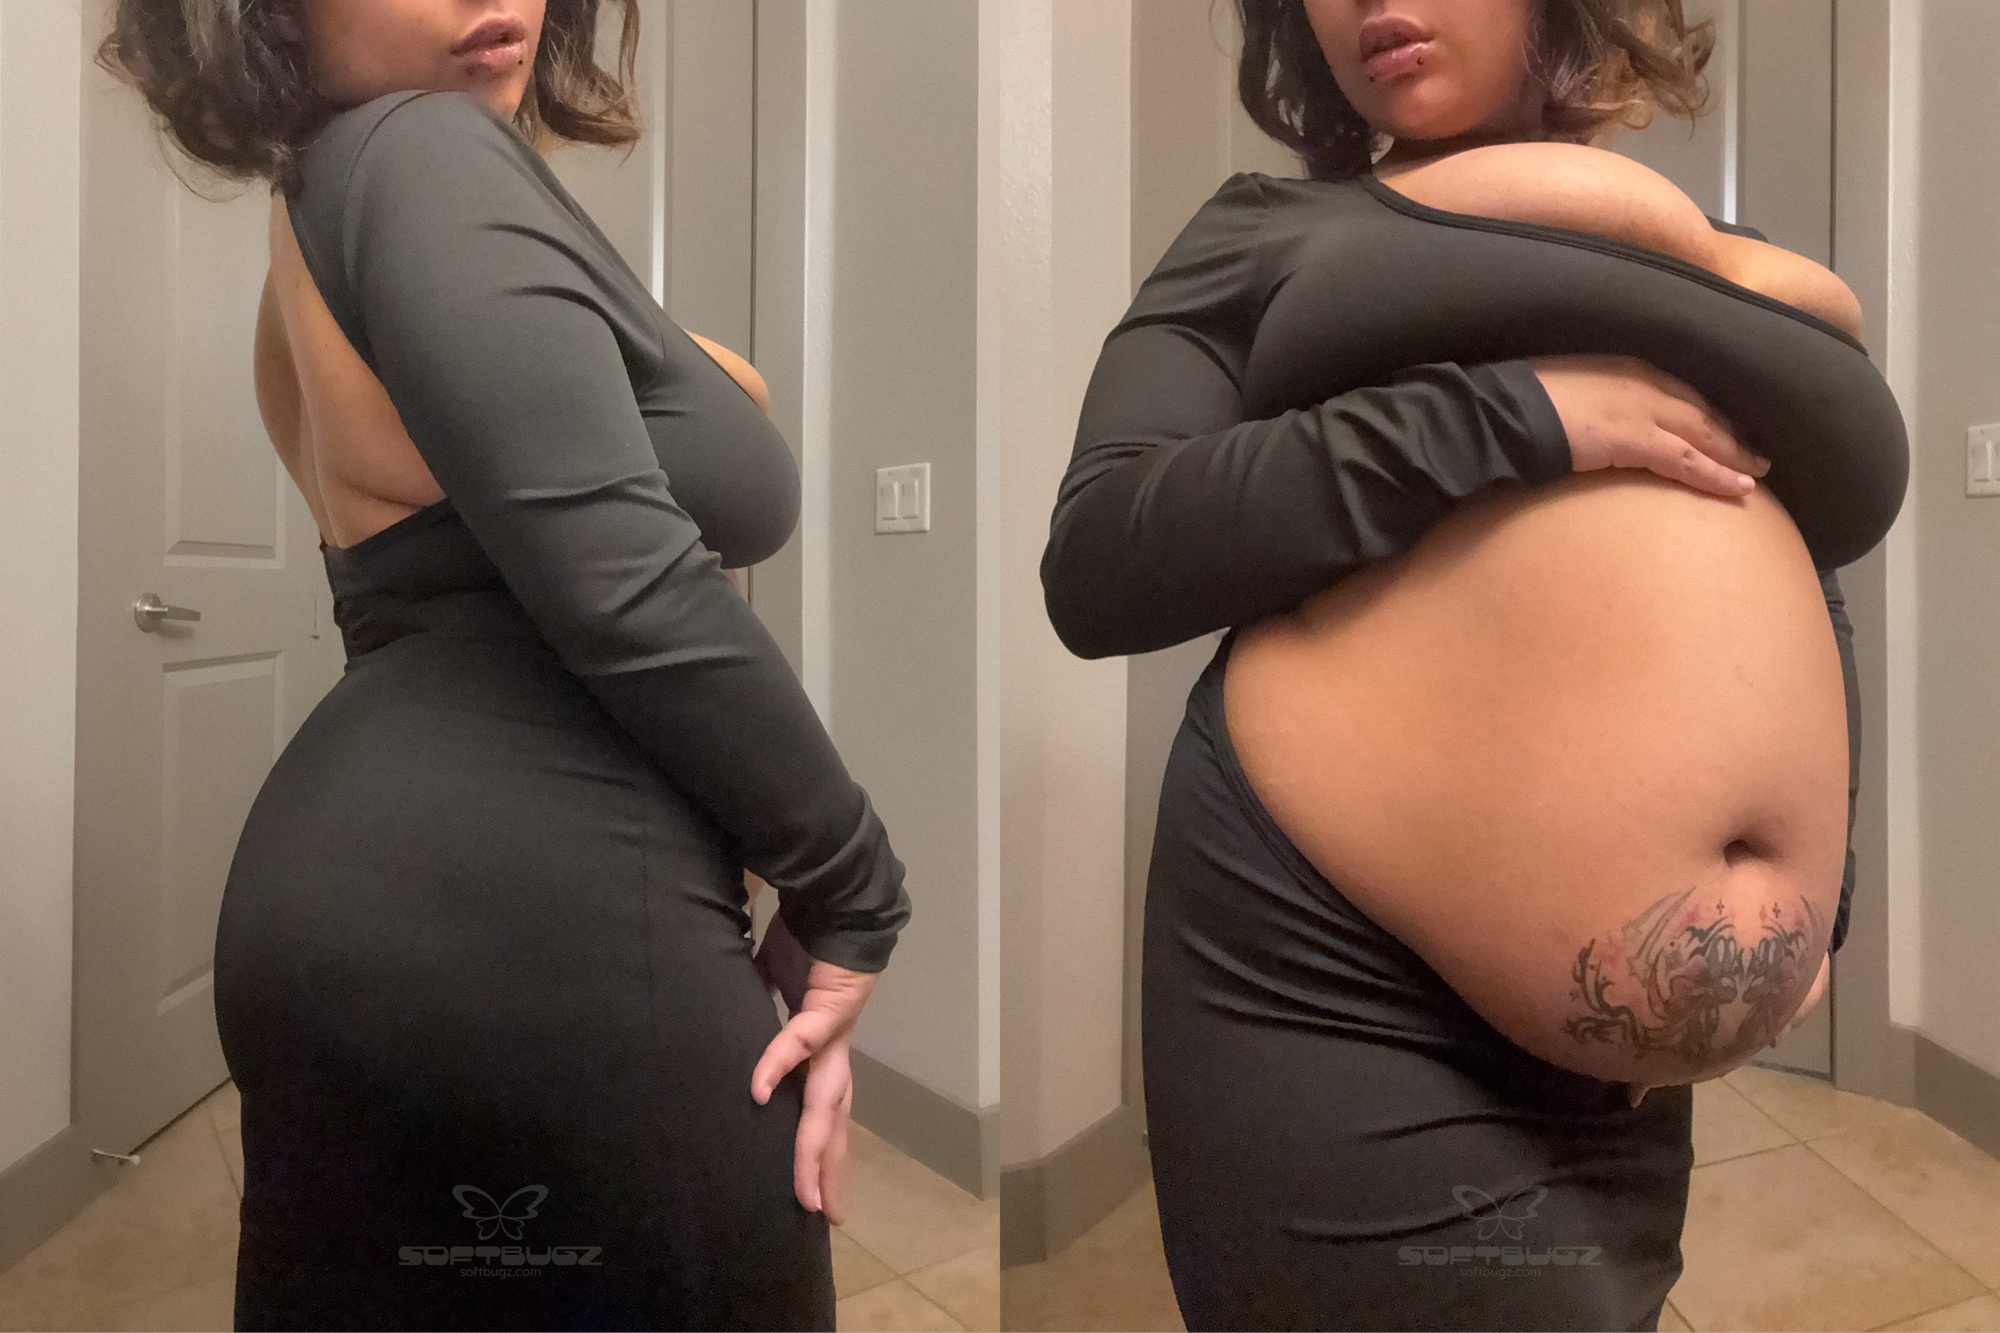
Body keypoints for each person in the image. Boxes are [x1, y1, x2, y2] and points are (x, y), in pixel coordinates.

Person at [1041, 0, 1899, 1328]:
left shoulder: (1698, 250)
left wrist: (1819, 887)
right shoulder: (1261, 230)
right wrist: (1509, 416)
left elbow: (1789, 545)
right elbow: (1102, 555)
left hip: (1616, 1084)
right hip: (1336, 975)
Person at [99, 2, 910, 1328]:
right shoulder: (422, 152)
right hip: (540, 925)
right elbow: (625, 587)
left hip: (376, 902)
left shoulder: (319, 214)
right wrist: (854, 886)